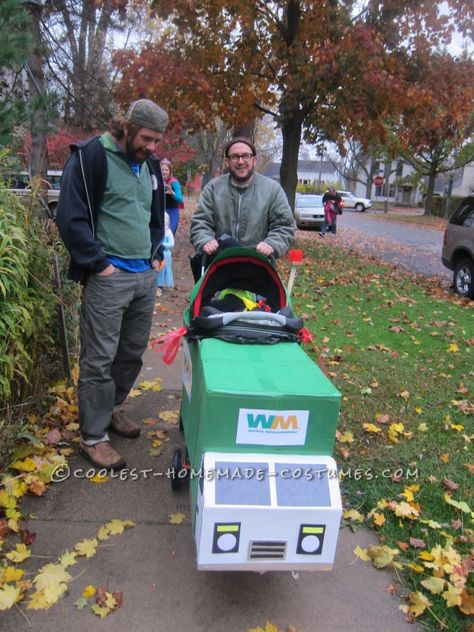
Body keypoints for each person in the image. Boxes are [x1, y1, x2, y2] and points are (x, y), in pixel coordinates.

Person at [56, 98, 169, 470]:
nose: (153, 148)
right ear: (127, 126)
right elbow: (69, 217)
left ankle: (113, 408)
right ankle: (93, 436)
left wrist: (155, 254)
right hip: (109, 277)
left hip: (144, 276)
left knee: (132, 353)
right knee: (99, 358)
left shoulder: (149, 165)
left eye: (157, 141)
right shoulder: (91, 156)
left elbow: (155, 215)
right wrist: (99, 265)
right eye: (148, 138)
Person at [190, 137, 295, 258]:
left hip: (258, 262)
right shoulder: (213, 189)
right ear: (227, 161)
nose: (240, 161)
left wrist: (271, 244)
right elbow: (200, 222)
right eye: (234, 157)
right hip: (219, 261)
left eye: (245, 156)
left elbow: (284, 226)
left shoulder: (272, 190)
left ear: (254, 160)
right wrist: (205, 240)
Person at [161, 158, 183, 236]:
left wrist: (172, 193)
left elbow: (180, 199)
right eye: (162, 169)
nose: (164, 172)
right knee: (160, 234)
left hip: (172, 212)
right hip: (160, 211)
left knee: (169, 233)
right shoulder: (157, 181)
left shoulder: (174, 182)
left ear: (170, 171)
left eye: (166, 170)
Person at [156, 212, 174, 297]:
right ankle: (155, 285)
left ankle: (160, 286)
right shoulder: (157, 232)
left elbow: (172, 243)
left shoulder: (168, 232)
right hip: (157, 254)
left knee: (163, 271)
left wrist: (162, 245)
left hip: (166, 255)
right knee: (157, 270)